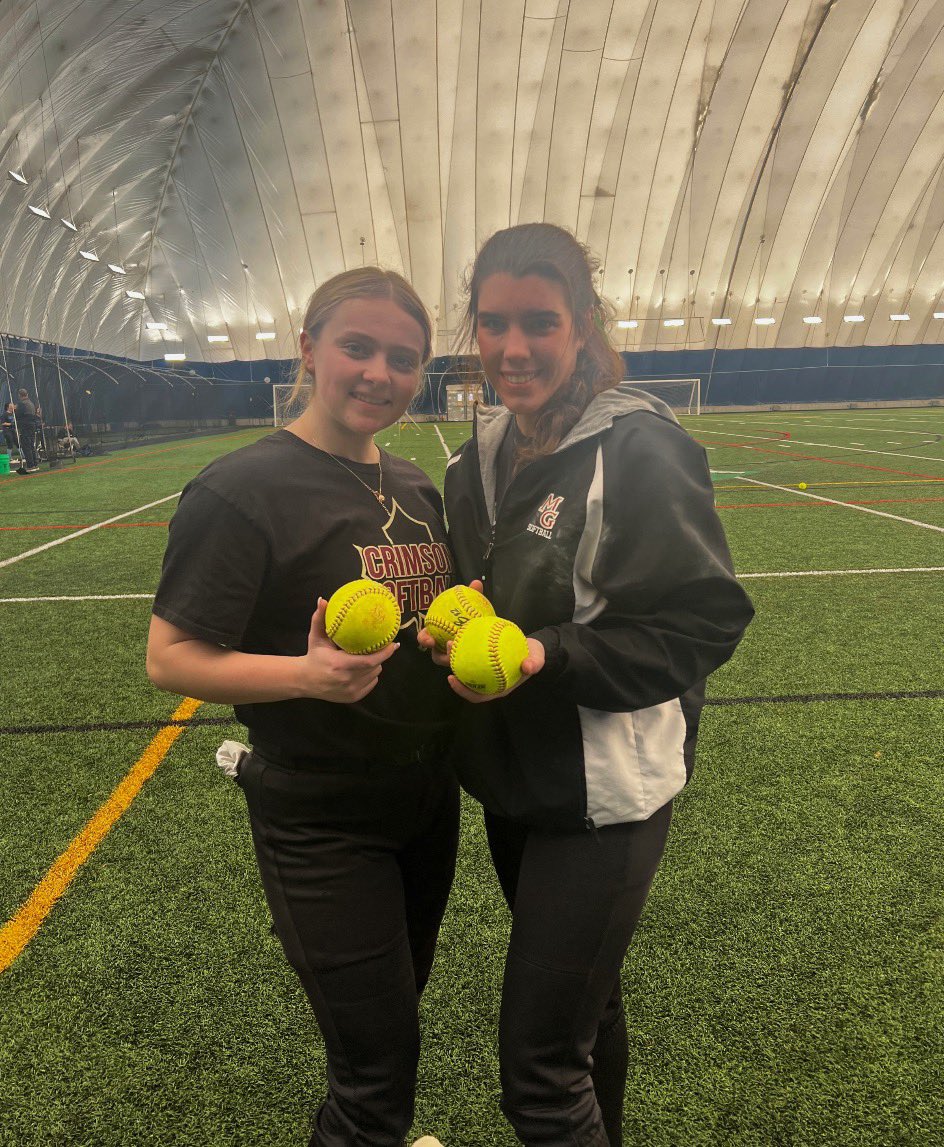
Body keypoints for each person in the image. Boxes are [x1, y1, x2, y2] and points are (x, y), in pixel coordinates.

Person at [419, 222, 755, 1146]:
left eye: (540, 322)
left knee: (539, 1073)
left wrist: (546, 656)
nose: (513, 348)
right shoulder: (474, 460)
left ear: (582, 325)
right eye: (494, 323)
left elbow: (704, 621)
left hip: (606, 794)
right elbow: (490, 596)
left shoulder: (640, 448)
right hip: (513, 786)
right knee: (589, 1015)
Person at [146, 267, 459, 1147]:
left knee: (396, 1023)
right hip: (322, 813)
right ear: (309, 349)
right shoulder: (242, 489)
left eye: (403, 357)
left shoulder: (415, 485)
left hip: (427, 799)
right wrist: (306, 676)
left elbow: (417, 624)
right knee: (373, 1080)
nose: (380, 373)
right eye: (358, 347)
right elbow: (170, 658)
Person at [14, 389, 39, 471]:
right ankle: (35, 464)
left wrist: (15, 410)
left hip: (25, 426)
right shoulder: (31, 403)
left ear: (19, 395)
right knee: (32, 445)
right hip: (32, 425)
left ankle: (30, 466)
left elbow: (17, 415)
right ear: (27, 394)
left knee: (26, 446)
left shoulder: (21, 404)